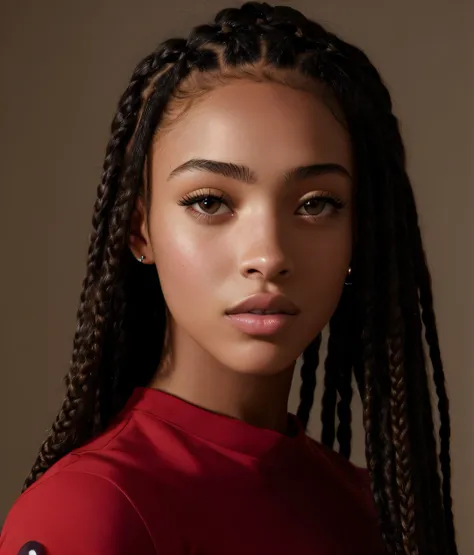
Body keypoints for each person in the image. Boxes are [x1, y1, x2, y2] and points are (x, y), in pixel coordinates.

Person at [0, 2, 457, 554]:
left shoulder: (371, 509)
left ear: (359, 233)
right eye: (211, 201)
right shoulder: (90, 512)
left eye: (315, 204)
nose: (267, 255)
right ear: (139, 230)